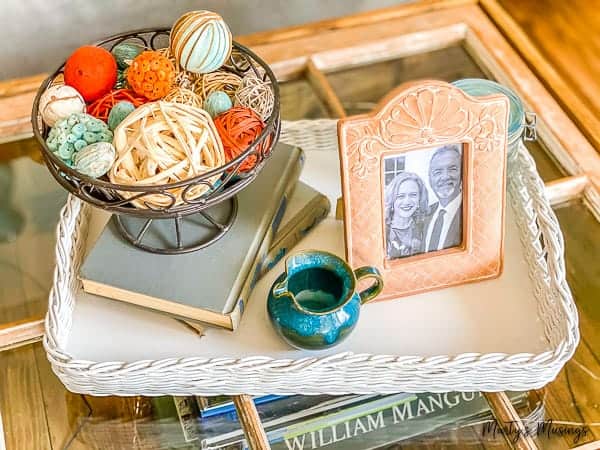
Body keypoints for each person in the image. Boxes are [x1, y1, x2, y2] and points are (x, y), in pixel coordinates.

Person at [424, 145, 463, 252]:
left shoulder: (471, 213)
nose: (445, 177)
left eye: (452, 169)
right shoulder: (425, 214)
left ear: (463, 173)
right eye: (437, 172)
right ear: (430, 179)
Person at [384, 171, 429, 258]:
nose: (407, 202)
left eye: (413, 195)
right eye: (400, 196)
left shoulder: (424, 226)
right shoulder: (382, 229)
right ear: (392, 199)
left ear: (420, 198)